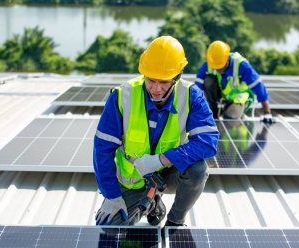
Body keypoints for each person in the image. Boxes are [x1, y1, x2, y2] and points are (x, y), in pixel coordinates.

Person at [93, 36, 219, 227]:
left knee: (198, 169)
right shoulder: (122, 97)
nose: (156, 89)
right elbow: (102, 150)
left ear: (177, 77)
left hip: (167, 174)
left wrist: (161, 160)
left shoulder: (191, 96)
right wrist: (112, 195)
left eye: (164, 82)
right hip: (132, 181)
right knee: (110, 229)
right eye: (151, 80)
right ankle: (153, 203)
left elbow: (208, 142)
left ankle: (175, 221)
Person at [195, 40, 275, 123]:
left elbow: (258, 86)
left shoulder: (241, 66)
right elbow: (198, 86)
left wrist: (267, 112)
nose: (217, 69)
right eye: (216, 67)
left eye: (220, 67)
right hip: (223, 97)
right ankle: (213, 114)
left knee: (230, 118)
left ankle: (239, 114)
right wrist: (195, 109)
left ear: (227, 59)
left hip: (239, 98)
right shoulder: (211, 62)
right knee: (208, 80)